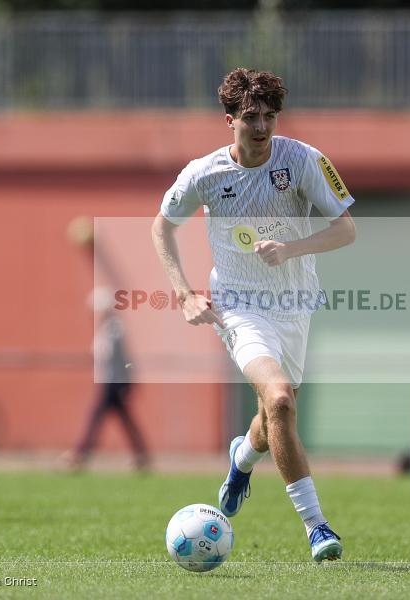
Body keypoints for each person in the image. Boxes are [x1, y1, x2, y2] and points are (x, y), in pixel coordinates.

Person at [151, 69, 355, 562]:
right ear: (230, 120)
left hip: (295, 304)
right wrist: (184, 295)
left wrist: (291, 249)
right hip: (239, 307)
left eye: (269, 116)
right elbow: (162, 227)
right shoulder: (203, 174)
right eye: (250, 117)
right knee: (280, 400)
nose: (262, 127)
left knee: (272, 415)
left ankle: (242, 459)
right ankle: (317, 527)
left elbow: (346, 230)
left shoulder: (304, 160)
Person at [65, 218, 149, 471]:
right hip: (109, 380)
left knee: (97, 415)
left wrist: (128, 380)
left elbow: (124, 358)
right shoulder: (103, 332)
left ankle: (80, 455)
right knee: (122, 418)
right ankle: (141, 455)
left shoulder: (114, 332)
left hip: (112, 382)